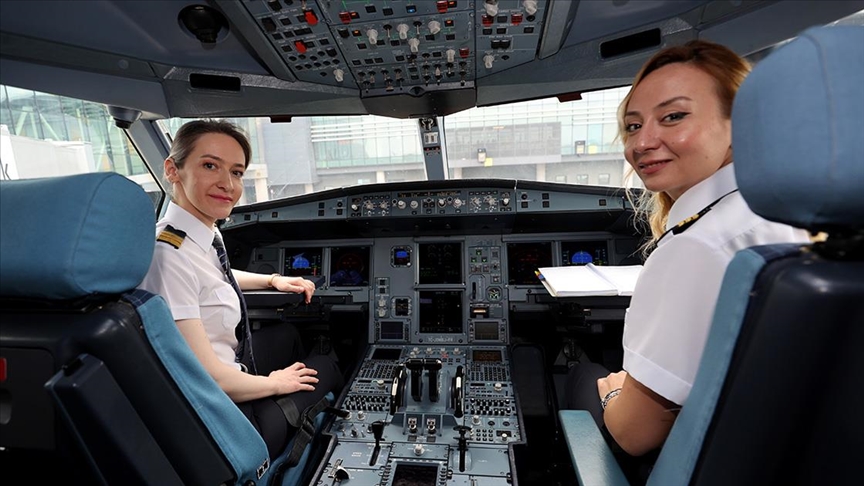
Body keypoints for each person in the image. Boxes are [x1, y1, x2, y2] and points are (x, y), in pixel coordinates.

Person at [565, 40, 810, 480]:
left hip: (704, 462)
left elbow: (634, 435)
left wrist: (614, 393)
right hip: (779, 453)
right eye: (633, 126)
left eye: (673, 116)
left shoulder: (697, 244)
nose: (642, 142)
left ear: (740, 123)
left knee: (583, 373)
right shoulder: (781, 215)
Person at [139, 119, 343, 460]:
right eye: (210, 166)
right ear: (173, 170)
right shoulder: (168, 256)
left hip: (229, 370)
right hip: (222, 415)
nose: (228, 184)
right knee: (327, 365)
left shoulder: (195, 233)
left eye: (236, 172)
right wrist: (277, 383)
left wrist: (272, 280)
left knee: (288, 335)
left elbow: (212, 274)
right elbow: (209, 380)